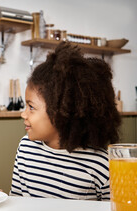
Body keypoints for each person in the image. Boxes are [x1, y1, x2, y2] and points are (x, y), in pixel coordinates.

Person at [10, 42, 121, 201]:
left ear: (61, 111)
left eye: (31, 107)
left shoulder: (102, 164)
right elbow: (17, 202)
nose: (23, 114)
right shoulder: (25, 148)